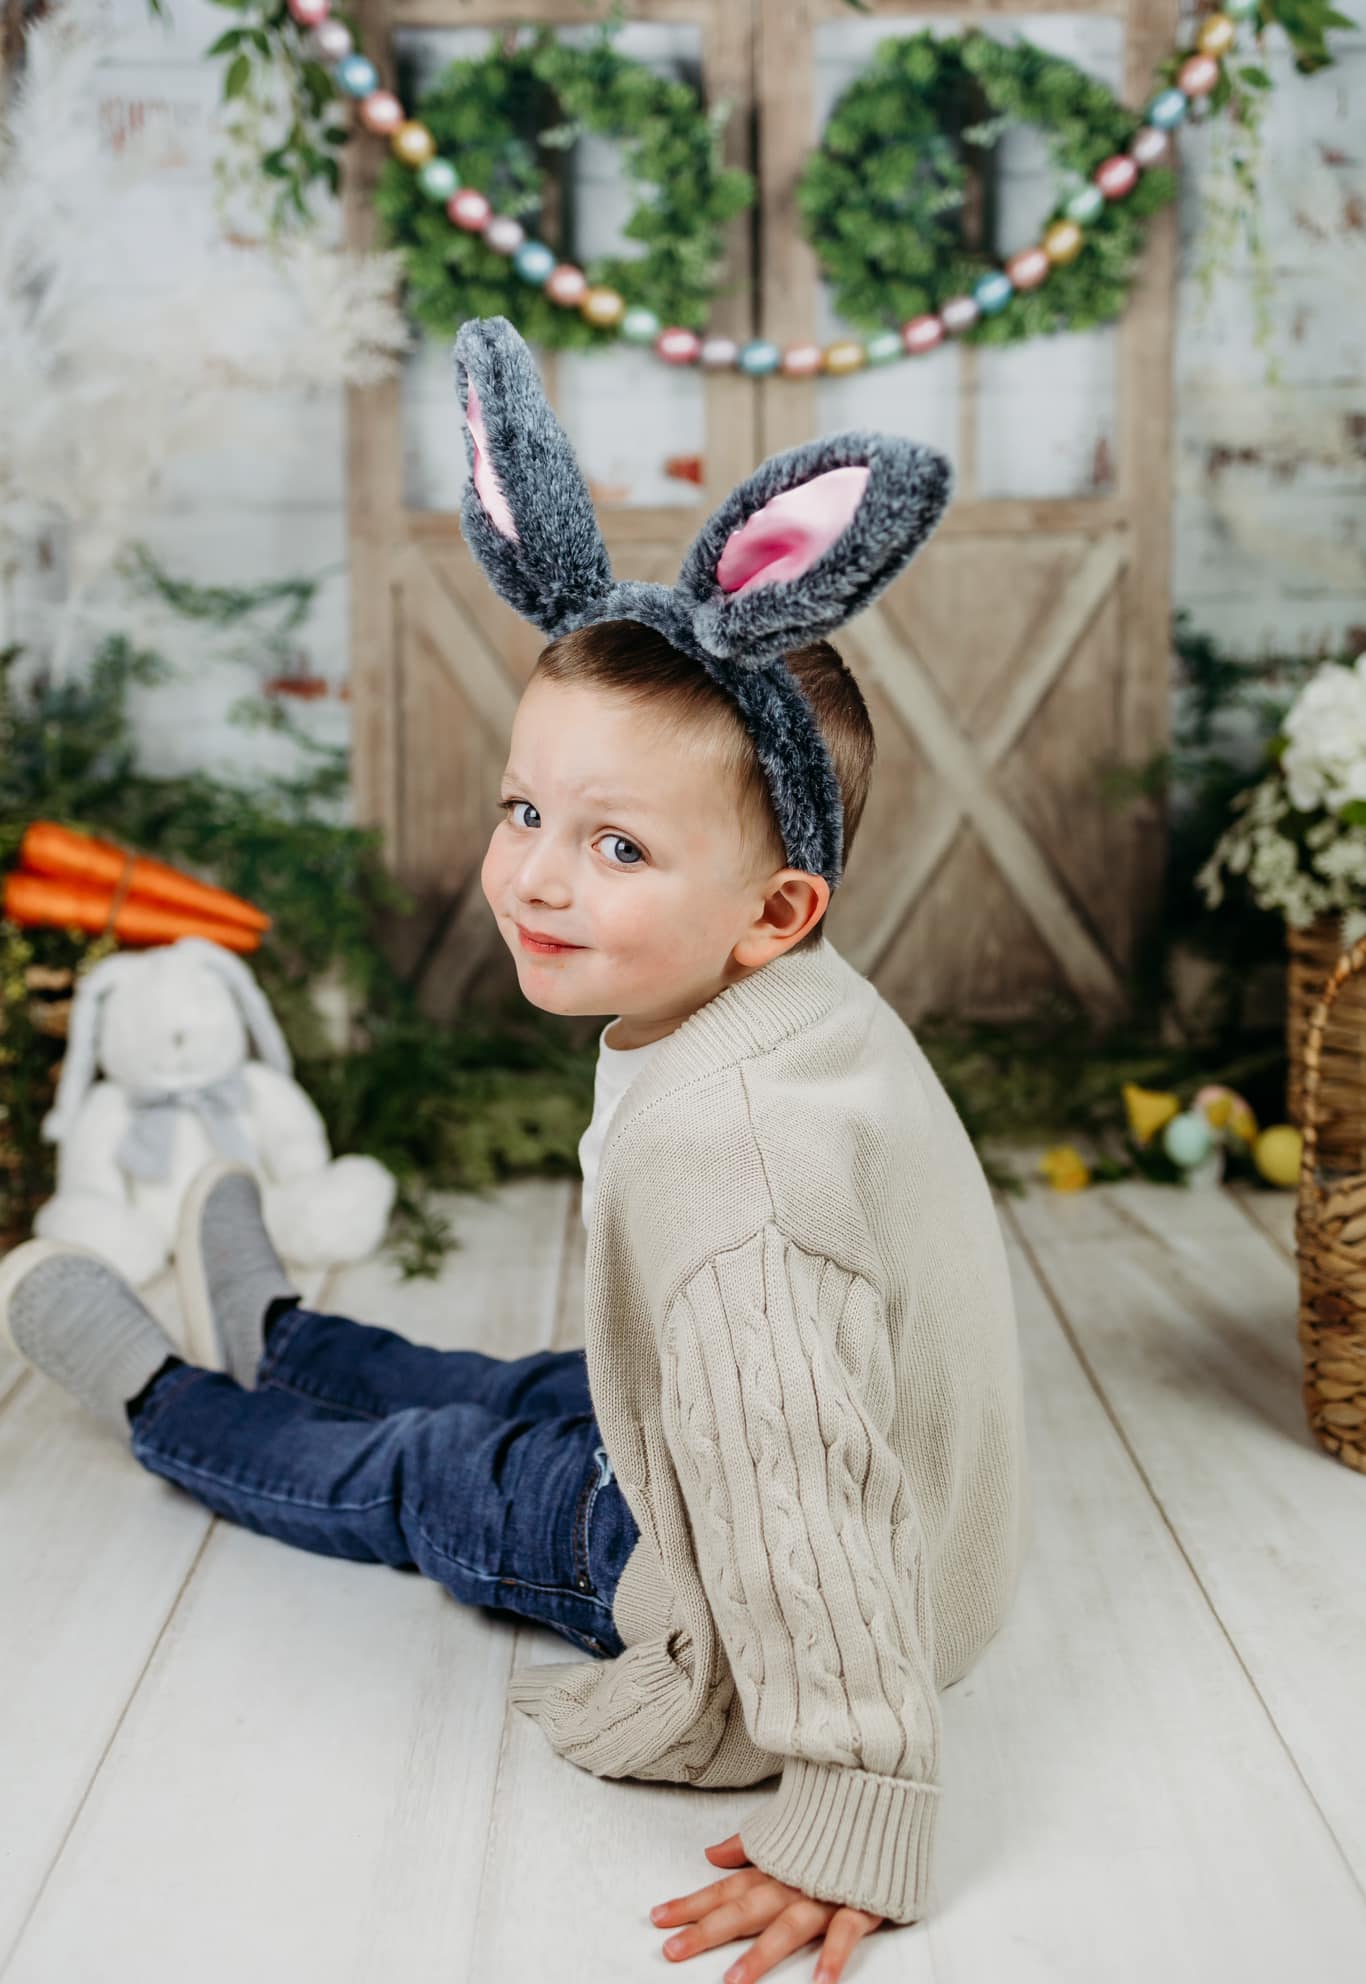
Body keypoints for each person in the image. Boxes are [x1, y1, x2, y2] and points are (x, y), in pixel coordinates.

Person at [0, 316, 1029, 1982]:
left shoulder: (736, 1170)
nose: (537, 878)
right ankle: (287, 1334)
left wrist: (855, 1791)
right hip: (848, 1503)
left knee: (437, 1469)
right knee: (538, 1385)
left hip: (752, 1611)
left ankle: (167, 1401)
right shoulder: (790, 1003)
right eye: (523, 810)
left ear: (773, 911)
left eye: (617, 845)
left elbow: (801, 1497)